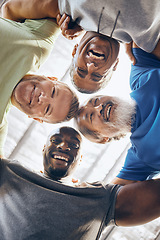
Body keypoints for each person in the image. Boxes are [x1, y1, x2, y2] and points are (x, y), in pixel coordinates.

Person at [0, 126, 160, 240]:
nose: (63, 146)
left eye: (74, 145)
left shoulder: (99, 197)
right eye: (56, 140)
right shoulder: (10, 172)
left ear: (80, 158)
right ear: (44, 148)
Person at [2, 0, 160, 93]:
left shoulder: (65, 11)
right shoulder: (147, 40)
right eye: (97, 76)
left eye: (82, 70)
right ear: (115, 65)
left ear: (75, 50)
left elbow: (9, 10)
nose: (91, 67)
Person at [75, 41, 160, 184]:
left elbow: (141, 33)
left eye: (95, 101)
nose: (99, 108)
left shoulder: (139, 79)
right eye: (91, 116)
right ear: (102, 138)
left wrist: (128, 39)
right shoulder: (140, 157)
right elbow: (109, 194)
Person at [0, 15, 79, 157]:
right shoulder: (39, 44)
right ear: (51, 78)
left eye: (47, 109)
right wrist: (80, 26)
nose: (42, 98)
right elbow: (62, 8)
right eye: (53, 92)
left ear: (36, 118)